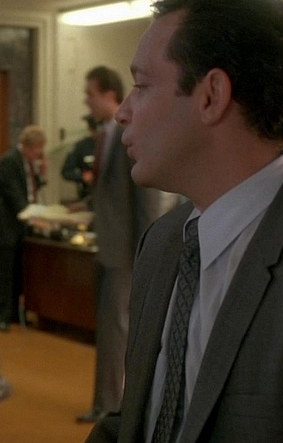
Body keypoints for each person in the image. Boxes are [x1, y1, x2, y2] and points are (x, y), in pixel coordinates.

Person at [87, 0, 283, 442]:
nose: (122, 112)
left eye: (142, 85)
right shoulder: (163, 242)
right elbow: (137, 420)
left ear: (211, 95)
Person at [77, 66, 162, 423]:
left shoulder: (132, 134)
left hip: (126, 254)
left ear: (109, 94)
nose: (86, 100)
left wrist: (146, 254)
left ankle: (112, 411)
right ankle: (105, 404)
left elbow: (146, 201)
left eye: (90, 93)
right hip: (107, 249)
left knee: (117, 333)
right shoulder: (106, 134)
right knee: (109, 334)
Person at [0, 125, 47, 332]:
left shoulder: (28, 163)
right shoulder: (9, 161)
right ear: (28, 146)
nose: (39, 153)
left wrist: (42, 174)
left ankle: (14, 312)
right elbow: (14, 196)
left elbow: (31, 189)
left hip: (21, 225)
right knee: (5, 273)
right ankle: (2, 316)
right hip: (7, 225)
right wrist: (33, 217)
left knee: (18, 272)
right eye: (38, 149)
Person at [62, 114, 101, 202]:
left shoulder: (115, 144)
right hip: (88, 194)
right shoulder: (82, 146)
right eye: (94, 129)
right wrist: (83, 177)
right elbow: (67, 171)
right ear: (89, 129)